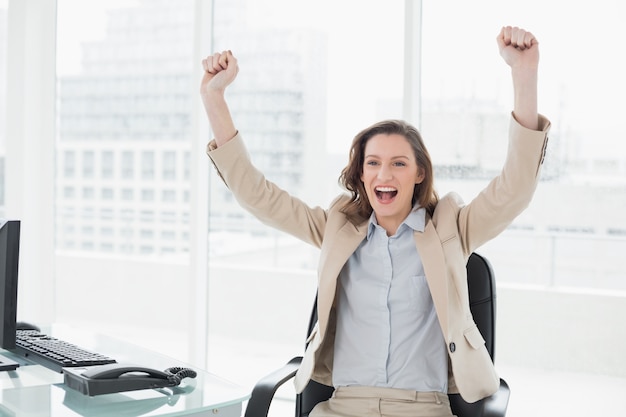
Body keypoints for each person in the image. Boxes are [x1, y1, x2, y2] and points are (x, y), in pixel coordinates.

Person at [201, 26, 550, 417]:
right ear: (361, 175)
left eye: (398, 163)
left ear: (419, 173)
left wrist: (524, 75)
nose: (384, 175)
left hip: (423, 409)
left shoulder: (451, 229)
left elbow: (515, 188)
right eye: (373, 163)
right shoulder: (337, 229)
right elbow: (258, 196)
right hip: (343, 406)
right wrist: (214, 98)